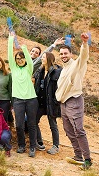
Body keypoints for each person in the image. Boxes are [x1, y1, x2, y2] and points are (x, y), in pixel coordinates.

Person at [55, 33, 92, 169]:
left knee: (78, 130)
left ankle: (87, 159)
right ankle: (78, 156)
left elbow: (84, 56)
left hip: (74, 101)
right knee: (69, 130)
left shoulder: (77, 64)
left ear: (70, 54)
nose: (63, 56)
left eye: (65, 53)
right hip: (63, 103)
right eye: (61, 54)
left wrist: (84, 43)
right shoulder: (63, 70)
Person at [8, 32, 38, 157]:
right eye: (18, 59)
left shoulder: (28, 68)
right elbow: (10, 55)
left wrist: (24, 48)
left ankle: (32, 147)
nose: (20, 60)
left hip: (31, 100)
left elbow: (30, 61)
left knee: (31, 124)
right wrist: (11, 40)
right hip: (18, 100)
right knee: (19, 125)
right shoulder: (14, 69)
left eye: (22, 58)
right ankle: (21, 145)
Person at [34, 52, 62, 155]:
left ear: (49, 59)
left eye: (44, 57)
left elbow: (60, 87)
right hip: (40, 102)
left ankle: (56, 146)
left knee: (53, 124)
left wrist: (56, 100)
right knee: (33, 121)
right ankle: (39, 142)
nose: (42, 59)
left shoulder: (57, 72)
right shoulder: (40, 70)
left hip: (51, 103)